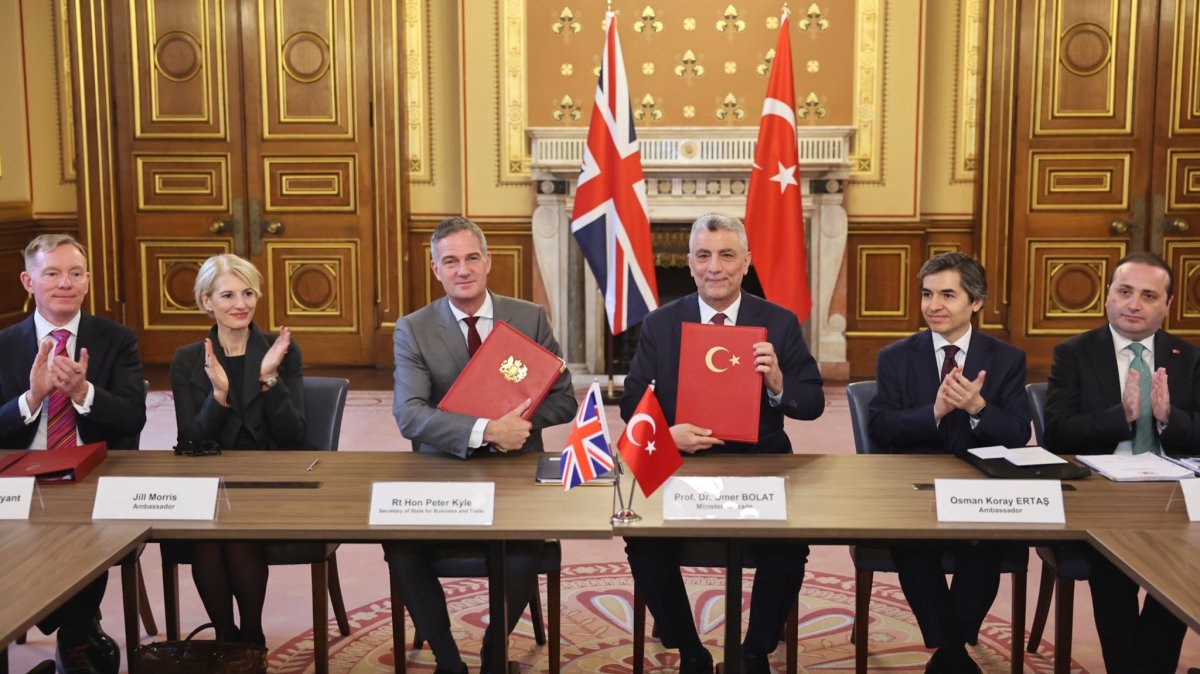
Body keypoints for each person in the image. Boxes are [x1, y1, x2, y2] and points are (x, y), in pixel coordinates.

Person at [620, 212, 824, 674]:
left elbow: (811, 403)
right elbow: (633, 404)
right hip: (682, 465)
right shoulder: (659, 324)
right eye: (703, 256)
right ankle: (690, 650)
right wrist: (664, 436)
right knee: (642, 541)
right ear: (689, 263)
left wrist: (777, 382)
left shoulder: (779, 322)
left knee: (790, 547)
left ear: (747, 262)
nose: (715, 266)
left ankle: (755, 650)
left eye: (727, 255)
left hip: (761, 464)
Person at [388, 216, 576, 674]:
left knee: (519, 548)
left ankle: (495, 652)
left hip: (516, 471)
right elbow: (408, 415)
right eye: (450, 261)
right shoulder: (413, 328)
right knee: (400, 548)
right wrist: (487, 431)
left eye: (472, 258)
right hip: (443, 470)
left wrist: (521, 426)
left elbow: (564, 399)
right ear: (436, 270)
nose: (463, 270)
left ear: (488, 262)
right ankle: (450, 662)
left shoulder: (528, 316)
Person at [867, 252, 1031, 673]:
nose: (933, 305)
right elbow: (881, 428)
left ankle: (948, 652)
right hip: (913, 491)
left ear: (977, 302)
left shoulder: (1005, 359)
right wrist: (934, 413)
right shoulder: (896, 356)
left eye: (946, 295)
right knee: (913, 548)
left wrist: (977, 407)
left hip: (981, 488)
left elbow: (1017, 433)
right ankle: (955, 655)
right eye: (926, 294)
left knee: (985, 551)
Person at [1044, 251, 1198, 673]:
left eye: (1149, 295)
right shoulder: (1074, 353)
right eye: (1125, 291)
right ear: (1108, 296)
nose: (1134, 303)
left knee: (1185, 574)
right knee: (1114, 571)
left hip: (1174, 495)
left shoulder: (1190, 358)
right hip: (1101, 493)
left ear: (1167, 306)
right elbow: (1055, 434)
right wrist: (1122, 417)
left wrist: (1169, 418)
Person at [0, 233, 146, 674]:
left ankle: (76, 633)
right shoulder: (4, 344)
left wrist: (83, 392)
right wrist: (32, 396)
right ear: (29, 281)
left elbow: (131, 418)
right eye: (53, 273)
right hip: (19, 480)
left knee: (88, 523)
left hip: (92, 477)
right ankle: (65, 627)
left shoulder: (116, 338)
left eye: (76, 273)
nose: (66, 283)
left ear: (87, 281)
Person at [169, 253, 305, 646]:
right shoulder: (187, 360)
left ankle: (251, 636)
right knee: (206, 535)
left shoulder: (282, 350)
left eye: (248, 293)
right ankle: (229, 643)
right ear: (207, 301)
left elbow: (294, 435)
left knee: (236, 528)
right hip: (211, 475)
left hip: (273, 477)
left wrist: (269, 378)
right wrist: (218, 396)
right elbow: (190, 443)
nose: (240, 304)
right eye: (227, 295)